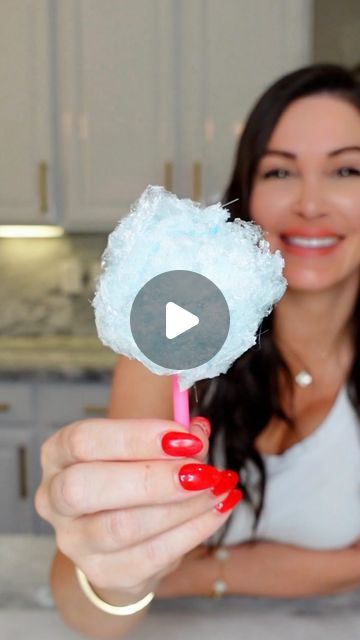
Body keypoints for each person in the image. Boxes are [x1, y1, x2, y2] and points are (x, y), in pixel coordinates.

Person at [35, 63, 360, 640]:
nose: (311, 203)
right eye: (280, 169)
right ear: (247, 192)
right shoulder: (172, 345)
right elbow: (84, 609)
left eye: (347, 169)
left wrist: (210, 572)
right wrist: (116, 578)